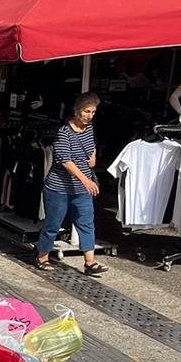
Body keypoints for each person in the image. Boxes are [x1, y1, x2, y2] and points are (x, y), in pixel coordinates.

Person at [34, 92, 108, 275]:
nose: (90, 115)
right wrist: (86, 180)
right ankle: (42, 255)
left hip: (81, 188)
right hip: (59, 188)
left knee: (86, 222)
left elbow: (90, 148)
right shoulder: (63, 133)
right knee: (53, 223)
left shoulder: (89, 128)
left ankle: (89, 262)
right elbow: (65, 161)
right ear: (77, 111)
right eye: (86, 111)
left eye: (93, 112)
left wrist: (93, 157)